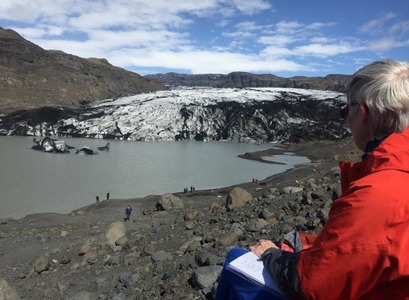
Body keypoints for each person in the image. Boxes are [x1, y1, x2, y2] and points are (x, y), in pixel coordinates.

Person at [215, 59, 409, 300]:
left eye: (345, 111)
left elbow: (312, 286)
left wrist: (272, 254)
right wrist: (308, 245)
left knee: (236, 260)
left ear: (362, 114)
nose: (346, 120)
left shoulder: (378, 194)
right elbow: (379, 247)